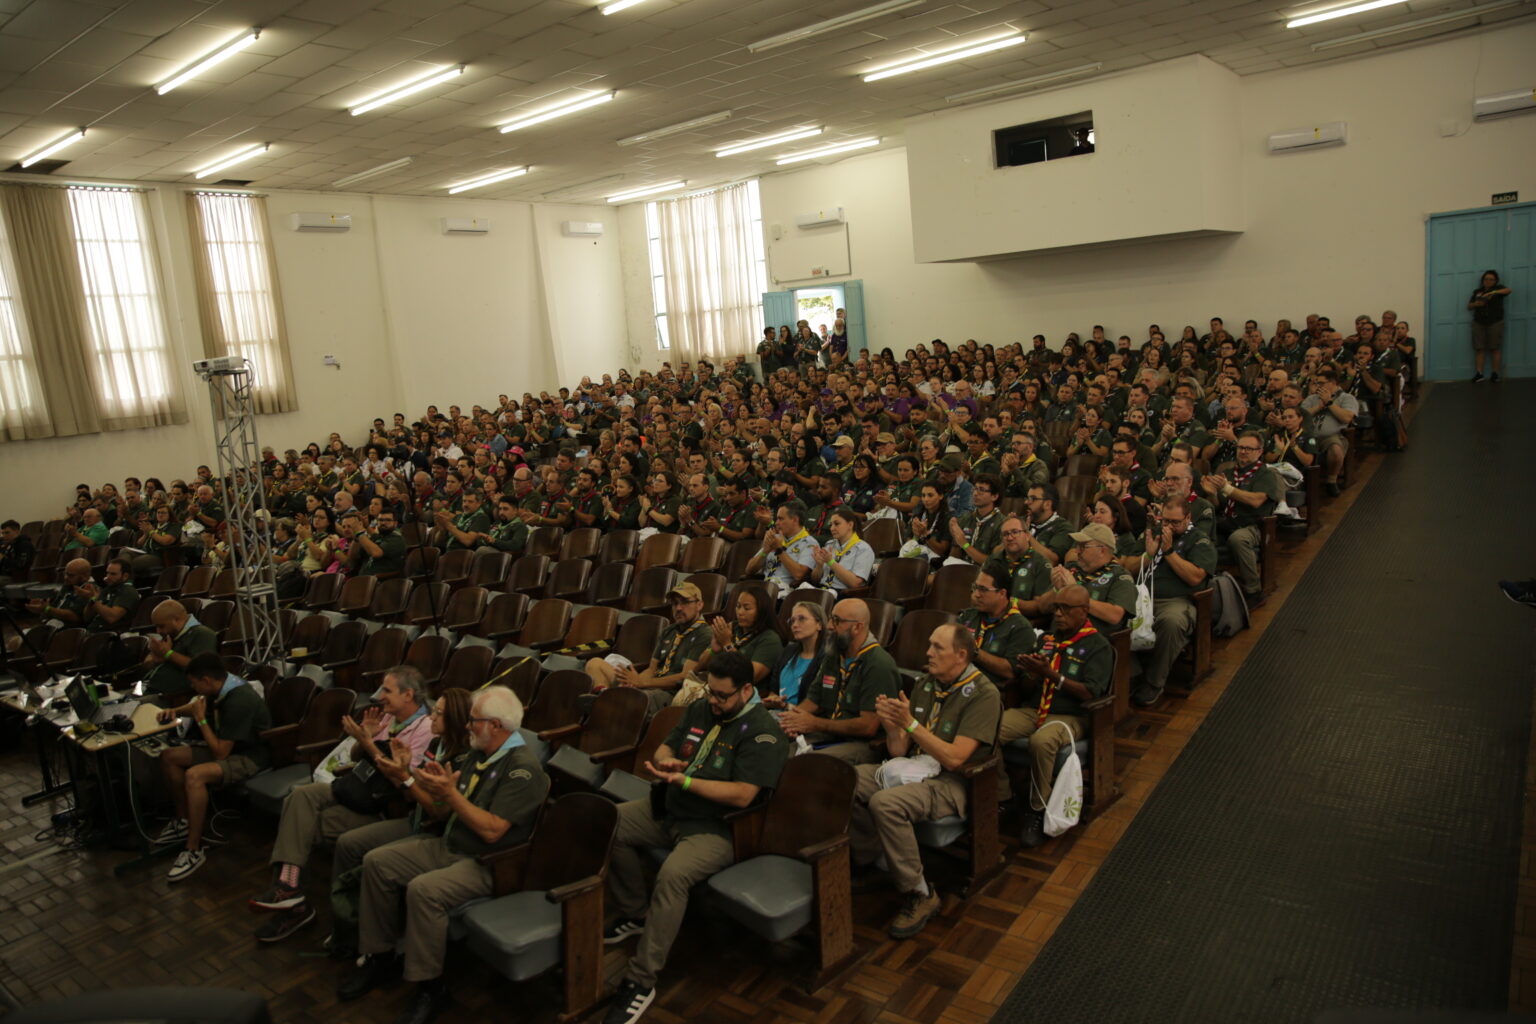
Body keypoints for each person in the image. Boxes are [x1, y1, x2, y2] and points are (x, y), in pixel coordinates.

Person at [602, 652, 789, 1024]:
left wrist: (685, 780)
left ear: (747, 690)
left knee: (673, 876)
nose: (714, 702)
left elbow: (743, 795)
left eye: (722, 696)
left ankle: (641, 981)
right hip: (671, 807)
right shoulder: (703, 708)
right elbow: (668, 744)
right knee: (608, 824)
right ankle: (637, 911)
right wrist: (668, 759)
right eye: (710, 693)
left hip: (716, 827)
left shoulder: (764, 732)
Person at [343, 686, 548, 1024]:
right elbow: (438, 811)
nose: (466, 726)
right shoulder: (476, 754)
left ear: (496, 725)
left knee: (425, 891)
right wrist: (407, 777)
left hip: (487, 862)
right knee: (377, 862)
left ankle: (430, 988)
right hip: (451, 842)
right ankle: (379, 956)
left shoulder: (523, 769)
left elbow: (493, 830)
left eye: (473, 721)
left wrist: (450, 796)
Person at [249, 666, 435, 942]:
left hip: (382, 807)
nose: (379, 696)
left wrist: (367, 743)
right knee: (299, 797)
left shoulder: (426, 729)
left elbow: (401, 780)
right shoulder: (388, 716)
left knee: (302, 827)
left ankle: (297, 905)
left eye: (387, 690)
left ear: (408, 695)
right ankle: (288, 887)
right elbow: (360, 756)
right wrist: (366, 737)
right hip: (356, 790)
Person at [848, 623, 1001, 939]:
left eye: (937, 647)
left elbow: (956, 759)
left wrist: (912, 724)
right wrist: (893, 727)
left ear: (961, 654)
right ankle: (877, 859)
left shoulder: (983, 693)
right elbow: (898, 749)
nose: (927, 652)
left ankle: (920, 894)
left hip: (954, 782)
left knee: (884, 803)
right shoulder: (927, 684)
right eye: (929, 645)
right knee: (846, 779)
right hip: (914, 766)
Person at [325, 689, 476, 960]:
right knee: (348, 844)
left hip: (434, 831)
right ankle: (347, 924)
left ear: (454, 719)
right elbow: (411, 794)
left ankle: (377, 948)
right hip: (415, 818)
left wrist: (404, 776)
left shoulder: (462, 757)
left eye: (439, 713)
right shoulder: (436, 745)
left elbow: (436, 810)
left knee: (376, 860)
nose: (431, 715)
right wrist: (404, 772)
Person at [1006, 585, 1113, 847]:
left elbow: (1091, 694)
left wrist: (1053, 676)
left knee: (1042, 741)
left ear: (1084, 611)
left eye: (1066, 609)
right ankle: (1002, 796)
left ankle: (1036, 809)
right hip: (1035, 709)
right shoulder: (1047, 640)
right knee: (991, 727)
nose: (1059, 614)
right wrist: (1031, 672)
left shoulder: (1098, 646)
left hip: (1073, 716)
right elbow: (1028, 686)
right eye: (1056, 608)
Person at [155, 654, 273, 881]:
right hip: (229, 747)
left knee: (194, 776)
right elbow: (196, 706)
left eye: (194, 683)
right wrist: (175, 712)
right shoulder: (221, 686)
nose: (192, 687)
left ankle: (193, 848)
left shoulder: (239, 700)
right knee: (169, 756)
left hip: (249, 756)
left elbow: (220, 752)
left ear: (207, 681)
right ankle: (183, 821)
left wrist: (200, 720)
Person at [777, 598, 900, 764]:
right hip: (828, 732)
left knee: (808, 764)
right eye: (830, 619)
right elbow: (813, 700)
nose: (829, 626)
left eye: (837, 621)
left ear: (857, 627)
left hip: (860, 743)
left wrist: (815, 723)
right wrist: (792, 722)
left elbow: (868, 726)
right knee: (776, 748)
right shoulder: (834, 654)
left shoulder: (878, 664)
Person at [1127, 496, 1217, 707]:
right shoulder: (1151, 534)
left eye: (1175, 522)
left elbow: (1195, 577)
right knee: (1113, 615)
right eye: (1165, 520)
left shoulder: (1199, 540)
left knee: (1172, 622)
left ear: (1188, 518)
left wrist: (1168, 552)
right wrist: (1148, 557)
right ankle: (1132, 673)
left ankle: (1153, 682)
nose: (1168, 526)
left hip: (1177, 600)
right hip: (1142, 596)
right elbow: (1125, 565)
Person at [585, 581, 711, 712]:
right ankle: (603, 695)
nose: (678, 608)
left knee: (634, 698)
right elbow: (651, 669)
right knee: (594, 664)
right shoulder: (668, 631)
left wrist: (641, 683)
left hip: (670, 693)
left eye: (684, 602)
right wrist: (632, 682)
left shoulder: (704, 633)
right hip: (649, 684)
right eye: (674, 603)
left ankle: (603, 703)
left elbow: (685, 677)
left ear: (699, 605)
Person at [1201, 430, 1283, 607]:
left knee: (1238, 539)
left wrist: (1228, 489)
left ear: (1260, 451)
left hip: (1253, 525)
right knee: (1200, 534)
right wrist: (1212, 494)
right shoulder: (1229, 473)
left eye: (1248, 448)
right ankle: (1204, 587)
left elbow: (1256, 500)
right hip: (1227, 521)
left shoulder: (1266, 474)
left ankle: (1253, 590)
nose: (1243, 451)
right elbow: (1219, 505)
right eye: (1240, 447)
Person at [956, 559, 1036, 691]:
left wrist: (974, 652)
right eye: (976, 587)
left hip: (985, 690)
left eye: (983, 590)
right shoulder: (969, 615)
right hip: (954, 678)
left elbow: (1010, 671)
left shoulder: (1021, 627)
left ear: (1002, 593)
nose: (976, 594)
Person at [698, 585, 782, 683]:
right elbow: (700, 666)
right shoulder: (731, 628)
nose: (740, 612)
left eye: (747, 608)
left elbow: (750, 676)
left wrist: (727, 644)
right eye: (738, 606)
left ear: (761, 610)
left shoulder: (770, 639)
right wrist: (713, 651)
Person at [142, 599, 219, 698]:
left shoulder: (202, 634)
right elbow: (146, 665)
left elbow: (201, 668)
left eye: (161, 626)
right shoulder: (169, 635)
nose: (158, 631)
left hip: (171, 696)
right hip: (146, 688)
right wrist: (156, 659)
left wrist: (168, 654)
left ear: (176, 620)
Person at [1299, 366, 1356, 497]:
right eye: (1317, 383)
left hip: (1330, 436)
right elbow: (1300, 416)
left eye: (1321, 383)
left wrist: (1330, 403)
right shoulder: (1312, 398)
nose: (1318, 386)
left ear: (1333, 383)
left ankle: (1331, 481)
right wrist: (1318, 407)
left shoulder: (1346, 398)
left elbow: (1347, 417)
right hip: (1309, 435)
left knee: (1336, 450)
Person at [763, 600, 831, 710]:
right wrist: (773, 700)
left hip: (802, 720)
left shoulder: (827, 657)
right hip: (775, 714)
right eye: (792, 620)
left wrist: (786, 707)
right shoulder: (788, 651)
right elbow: (773, 690)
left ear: (819, 624)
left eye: (801, 619)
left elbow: (823, 703)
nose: (795, 625)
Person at [745, 501, 821, 596]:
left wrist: (779, 550)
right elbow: (749, 570)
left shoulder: (809, 543)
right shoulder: (775, 538)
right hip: (763, 588)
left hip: (785, 593)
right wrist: (765, 550)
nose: (776, 523)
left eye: (781, 519)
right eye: (777, 519)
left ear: (794, 520)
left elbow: (799, 574)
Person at [811, 508, 875, 591]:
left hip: (842, 594)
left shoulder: (863, 549)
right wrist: (819, 566)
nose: (832, 528)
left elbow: (856, 583)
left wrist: (831, 562)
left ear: (850, 525)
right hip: (821, 589)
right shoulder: (829, 545)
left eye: (836, 524)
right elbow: (815, 580)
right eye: (831, 525)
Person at [1468, 268, 1511, 383]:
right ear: (1483, 280)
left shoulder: (1499, 289)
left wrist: (1493, 292)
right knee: (1479, 348)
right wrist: (1477, 304)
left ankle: (1495, 374)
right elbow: (1469, 306)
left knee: (1495, 348)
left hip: (1495, 323)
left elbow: (1508, 290)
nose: (1488, 281)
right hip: (1478, 323)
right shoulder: (1477, 292)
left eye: (1491, 279)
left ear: (1495, 281)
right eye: (1486, 279)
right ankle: (1479, 374)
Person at [80, 556, 140, 633]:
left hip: (110, 635)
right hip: (93, 632)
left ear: (125, 576)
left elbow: (112, 617)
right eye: (107, 573)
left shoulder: (128, 592)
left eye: (113, 574)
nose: (108, 577)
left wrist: (94, 599)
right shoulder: (106, 590)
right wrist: (92, 599)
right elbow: (87, 617)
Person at [0, 519, 35, 586]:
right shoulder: (7, 545)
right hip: (4, 575)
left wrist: (3, 559)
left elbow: (21, 565)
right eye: (2, 533)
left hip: (16, 577)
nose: (4, 536)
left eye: (7, 533)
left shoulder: (24, 545)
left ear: (17, 531)